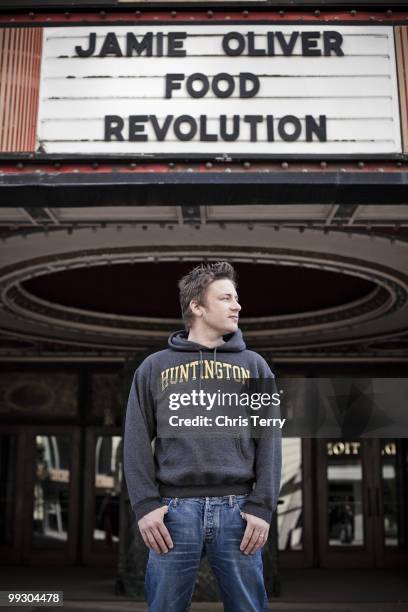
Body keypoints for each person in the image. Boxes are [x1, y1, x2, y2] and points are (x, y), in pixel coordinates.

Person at [124, 261, 282, 611]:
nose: (237, 305)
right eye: (226, 298)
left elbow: (271, 439)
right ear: (197, 306)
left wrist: (263, 505)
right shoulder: (153, 368)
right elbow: (135, 440)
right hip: (173, 513)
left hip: (239, 511)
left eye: (236, 298)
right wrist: (145, 505)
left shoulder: (255, 366)